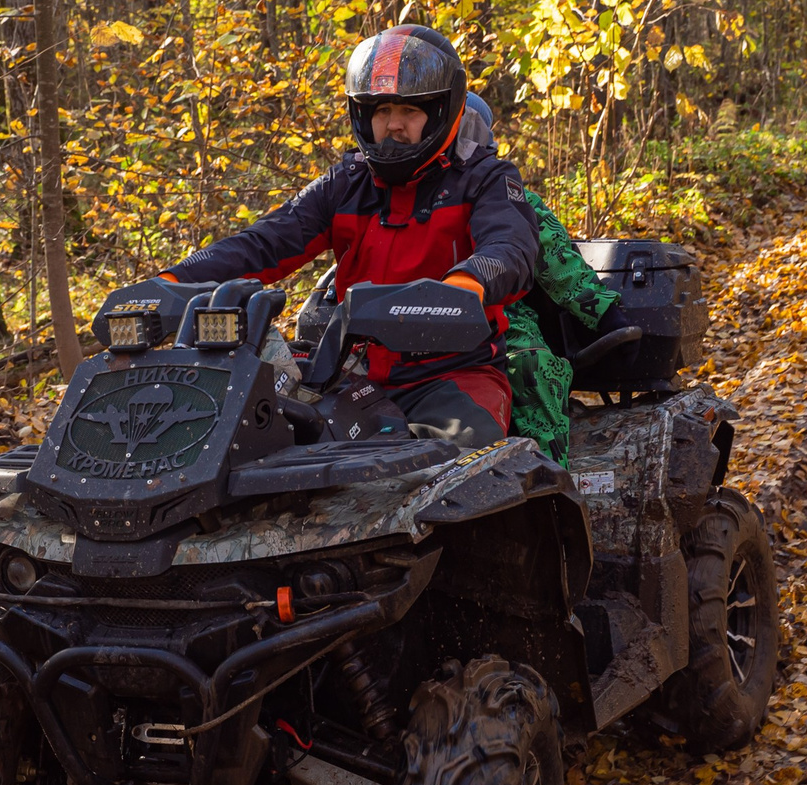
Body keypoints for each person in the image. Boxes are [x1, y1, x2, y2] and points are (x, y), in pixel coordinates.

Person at [159, 25, 536, 450]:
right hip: (352, 378)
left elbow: (511, 248)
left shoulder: (485, 178)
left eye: (409, 111)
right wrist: (173, 281)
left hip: (454, 378)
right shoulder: (347, 182)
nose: (393, 124)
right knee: (256, 451)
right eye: (380, 110)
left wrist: (464, 285)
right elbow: (266, 241)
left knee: (462, 460)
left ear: (441, 110)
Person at [450, 94, 630, 466]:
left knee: (532, 366)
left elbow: (559, 261)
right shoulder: (387, 193)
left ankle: (549, 489)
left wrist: (605, 314)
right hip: (401, 319)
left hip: (495, 320)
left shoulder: (506, 194)